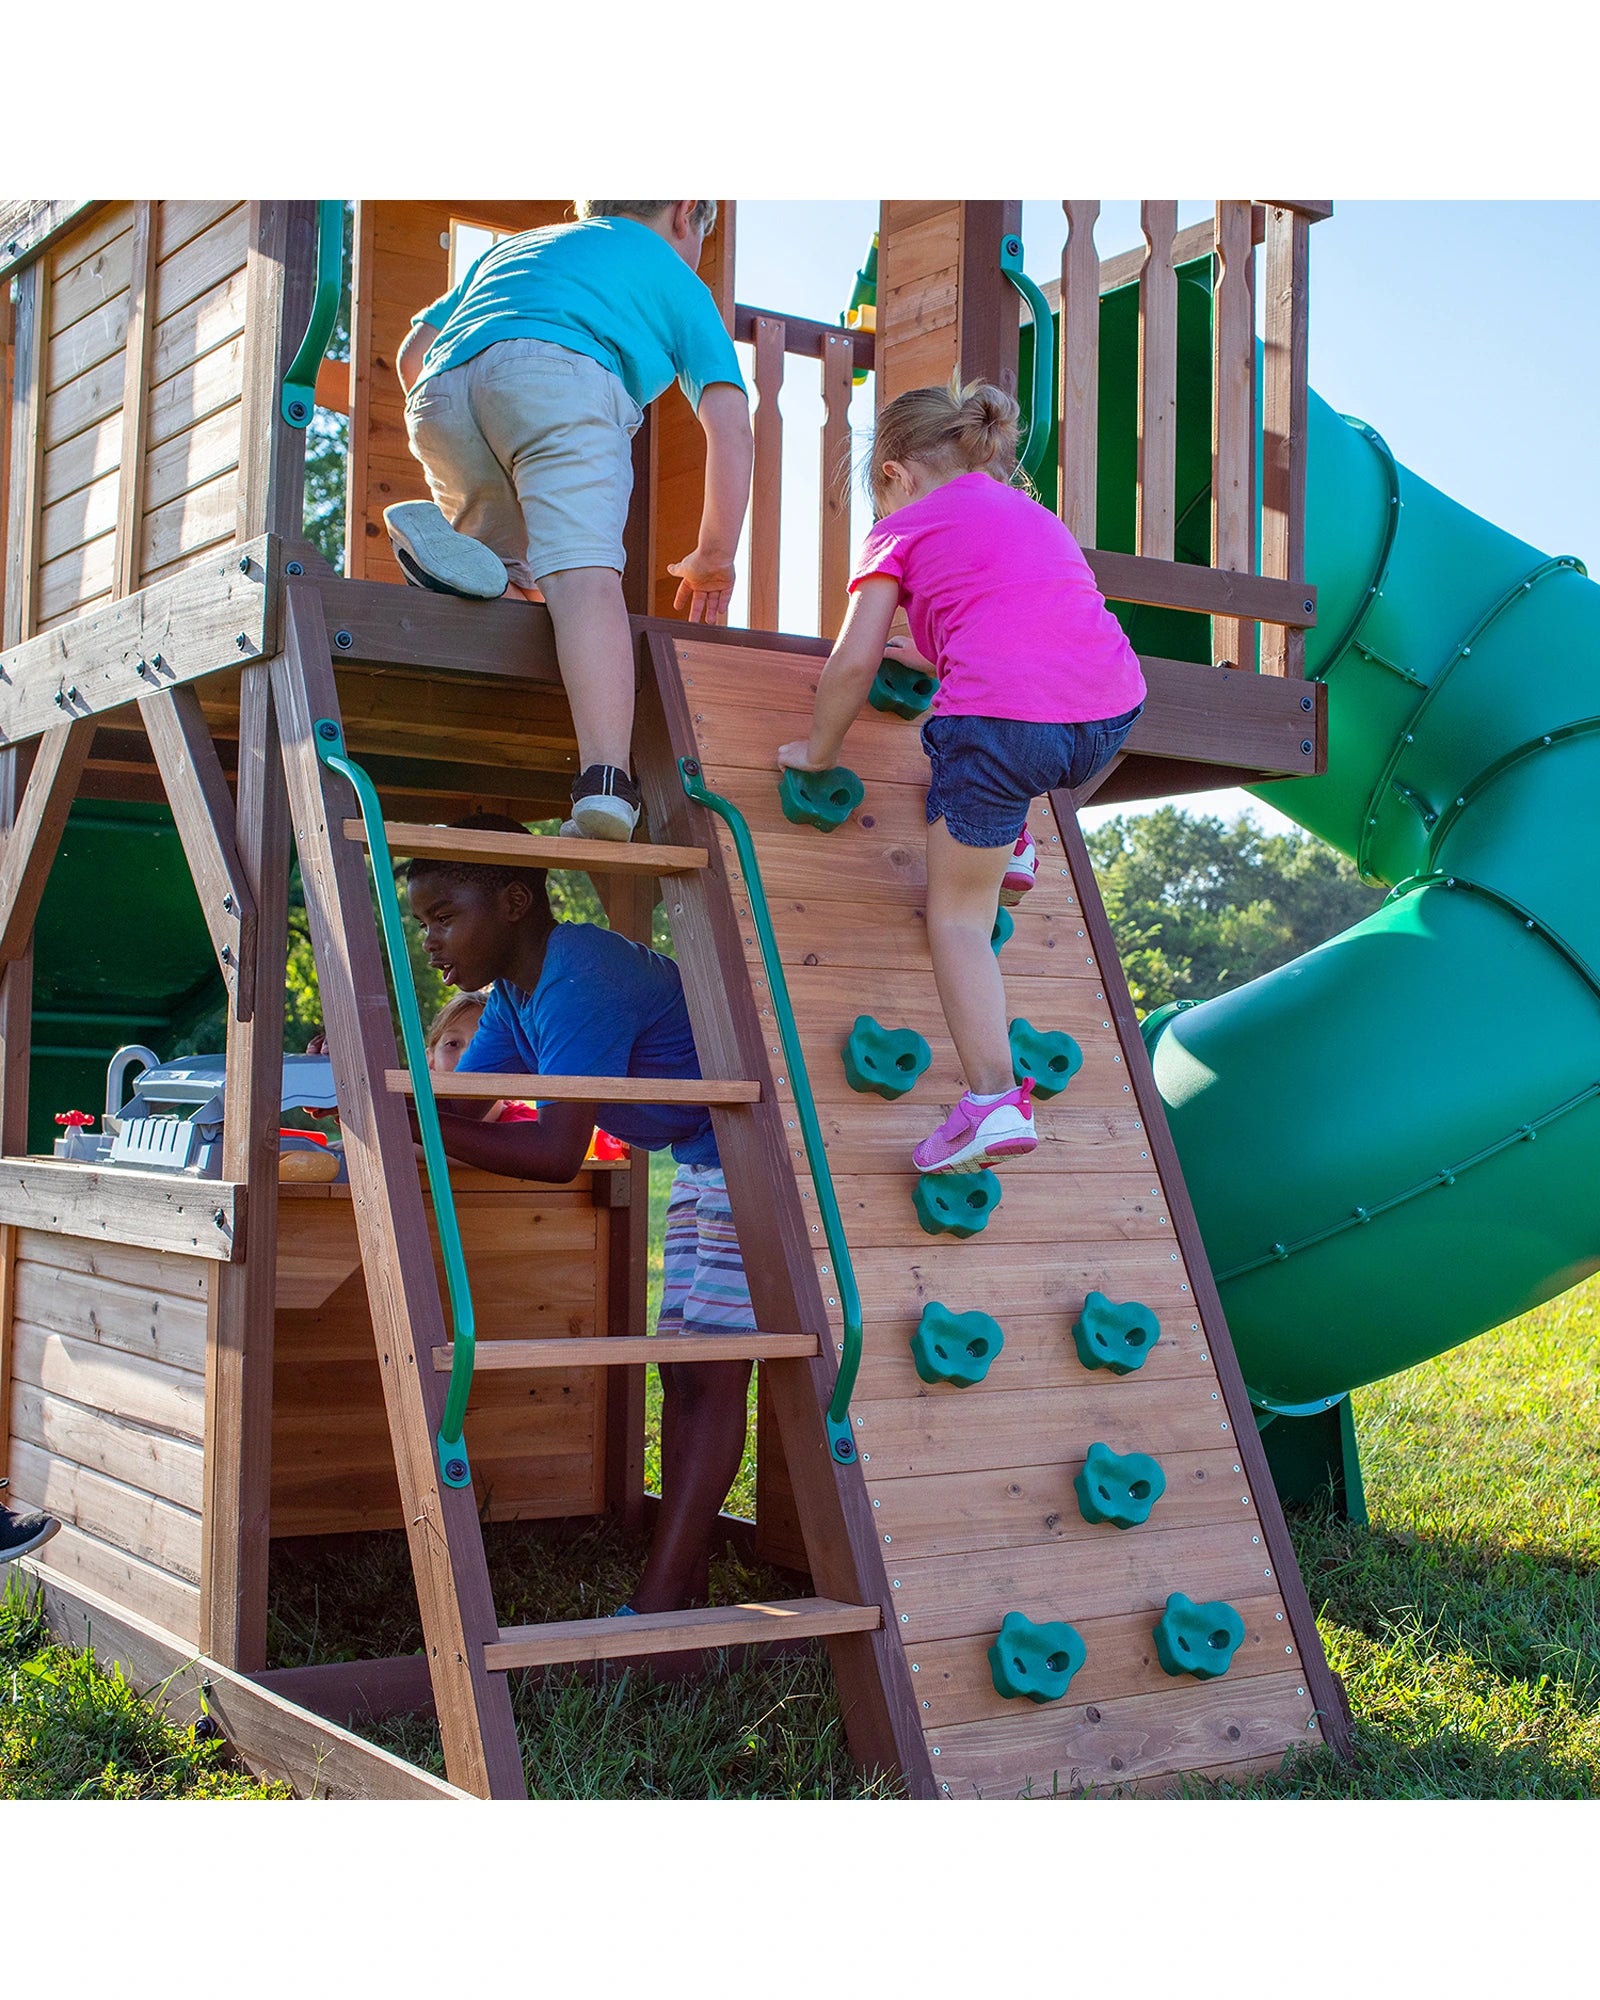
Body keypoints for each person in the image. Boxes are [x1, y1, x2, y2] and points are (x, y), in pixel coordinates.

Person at [778, 379, 1146, 1175]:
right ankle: (1010, 844)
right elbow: (1027, 628)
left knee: (957, 919)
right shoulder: (1036, 517)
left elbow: (854, 663)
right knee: (1018, 754)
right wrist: (939, 651)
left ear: (896, 474)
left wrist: (817, 750)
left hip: (1003, 730)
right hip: (1112, 712)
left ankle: (990, 1101)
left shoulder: (901, 528)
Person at [405, 815, 754, 1615]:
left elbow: (556, 1149)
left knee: (712, 1373)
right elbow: (463, 1108)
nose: (430, 941)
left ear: (515, 902)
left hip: (755, 1158)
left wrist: (411, 1125)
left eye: (445, 916)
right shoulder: (514, 998)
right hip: (707, 1159)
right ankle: (684, 1582)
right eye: (423, 923)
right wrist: (380, 1111)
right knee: (686, 1371)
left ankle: (659, 1608)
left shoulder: (579, 972)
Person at [387, 200, 755, 844]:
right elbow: (728, 423)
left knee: (510, 579)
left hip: (441, 392)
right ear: (686, 213)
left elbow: (412, 352)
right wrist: (714, 554)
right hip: (559, 379)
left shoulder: (518, 249)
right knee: (584, 580)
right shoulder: (671, 272)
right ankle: (606, 783)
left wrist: (467, 417)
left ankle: (449, 563)